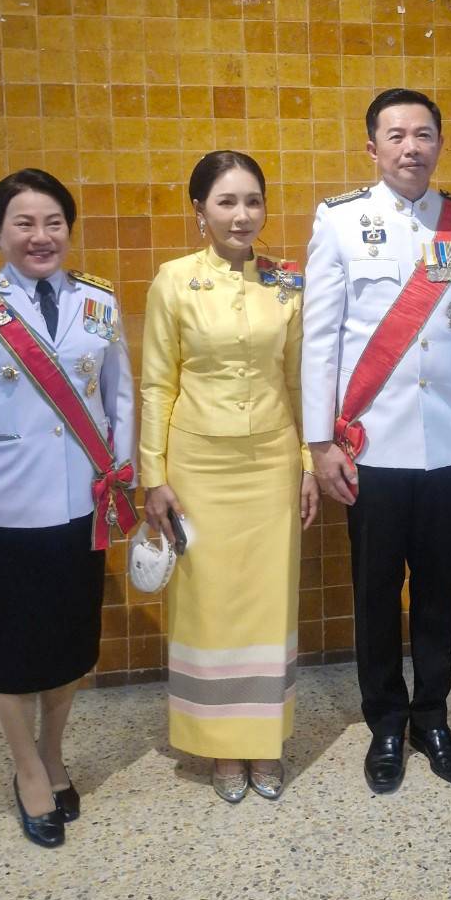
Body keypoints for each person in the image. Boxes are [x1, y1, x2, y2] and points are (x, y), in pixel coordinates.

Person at [301, 88, 451, 793]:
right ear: (372, 147)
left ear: (439, 144)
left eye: (423, 134)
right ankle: (386, 720)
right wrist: (319, 443)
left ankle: (433, 716)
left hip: (449, 442)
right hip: (374, 445)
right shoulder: (339, 221)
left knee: (436, 590)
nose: (410, 147)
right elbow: (320, 340)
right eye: (395, 135)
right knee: (374, 588)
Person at [0, 169, 136, 848]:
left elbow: (119, 398)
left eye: (52, 222)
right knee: (8, 650)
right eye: (23, 223)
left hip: (79, 506)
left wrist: (121, 477)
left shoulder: (97, 302)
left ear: (67, 231)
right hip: (3, 509)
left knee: (69, 644)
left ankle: (53, 751)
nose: (40, 236)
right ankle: (27, 770)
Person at [140, 150, 319, 804]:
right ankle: (219, 749)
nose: (242, 215)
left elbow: (299, 379)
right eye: (226, 202)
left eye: (252, 201)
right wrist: (154, 474)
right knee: (209, 603)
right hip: (198, 467)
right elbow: (158, 383)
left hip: (271, 462)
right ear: (200, 212)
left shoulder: (286, 283)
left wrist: (305, 463)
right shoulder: (173, 281)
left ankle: (263, 740)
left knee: (271, 598)